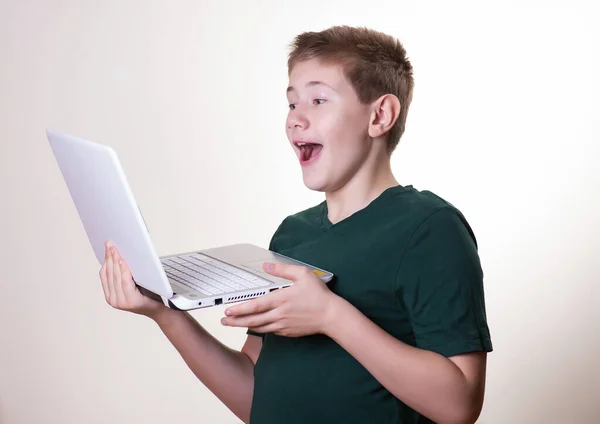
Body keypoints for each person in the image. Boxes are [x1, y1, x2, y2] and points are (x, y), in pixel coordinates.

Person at [99, 25, 493, 424]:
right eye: (291, 104)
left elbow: (457, 405)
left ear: (380, 115)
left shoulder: (430, 228)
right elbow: (255, 397)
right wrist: (166, 313)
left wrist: (330, 316)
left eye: (318, 100)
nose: (295, 120)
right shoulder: (291, 235)